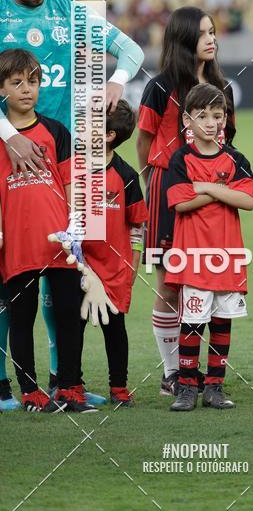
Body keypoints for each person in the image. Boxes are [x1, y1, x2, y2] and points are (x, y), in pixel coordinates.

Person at [0, 0, 144, 401]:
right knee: (10, 274)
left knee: (65, 267)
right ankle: (5, 384)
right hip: (6, 157)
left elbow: (133, 52)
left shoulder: (71, 14)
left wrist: (116, 82)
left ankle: (66, 380)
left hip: (64, 159)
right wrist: (9, 135)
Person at [136, 7, 235, 397]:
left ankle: (204, 373)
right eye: (204, 33)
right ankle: (172, 372)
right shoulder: (160, 86)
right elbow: (144, 141)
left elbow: (228, 142)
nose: (212, 39)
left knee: (207, 279)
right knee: (170, 282)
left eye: (213, 32)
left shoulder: (221, 87)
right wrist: (153, 183)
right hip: (166, 188)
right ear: (183, 39)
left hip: (212, 191)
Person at [0, 49, 96, 412]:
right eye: (17, 82)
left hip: (60, 241)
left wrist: (75, 225)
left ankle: (70, 387)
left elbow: (72, 183)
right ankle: (31, 392)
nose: (27, 89)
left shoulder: (56, 130)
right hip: (18, 242)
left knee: (70, 314)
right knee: (21, 318)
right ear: (2, 88)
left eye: (34, 81)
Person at [165, 84, 253, 412]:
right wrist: (219, 189)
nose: (210, 122)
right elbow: (180, 203)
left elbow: (247, 200)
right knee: (192, 321)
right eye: (201, 115)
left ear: (225, 119)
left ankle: (215, 386)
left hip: (227, 254)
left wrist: (203, 187)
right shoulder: (181, 159)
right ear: (187, 120)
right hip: (192, 254)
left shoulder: (236, 158)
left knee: (222, 319)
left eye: (217, 115)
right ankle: (187, 386)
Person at [80, 100, 147, 407]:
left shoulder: (127, 175)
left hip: (113, 270)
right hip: (76, 267)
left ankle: (118, 387)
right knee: (72, 327)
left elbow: (136, 226)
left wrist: (131, 266)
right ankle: (70, 383)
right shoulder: (73, 168)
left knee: (115, 330)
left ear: (108, 136)